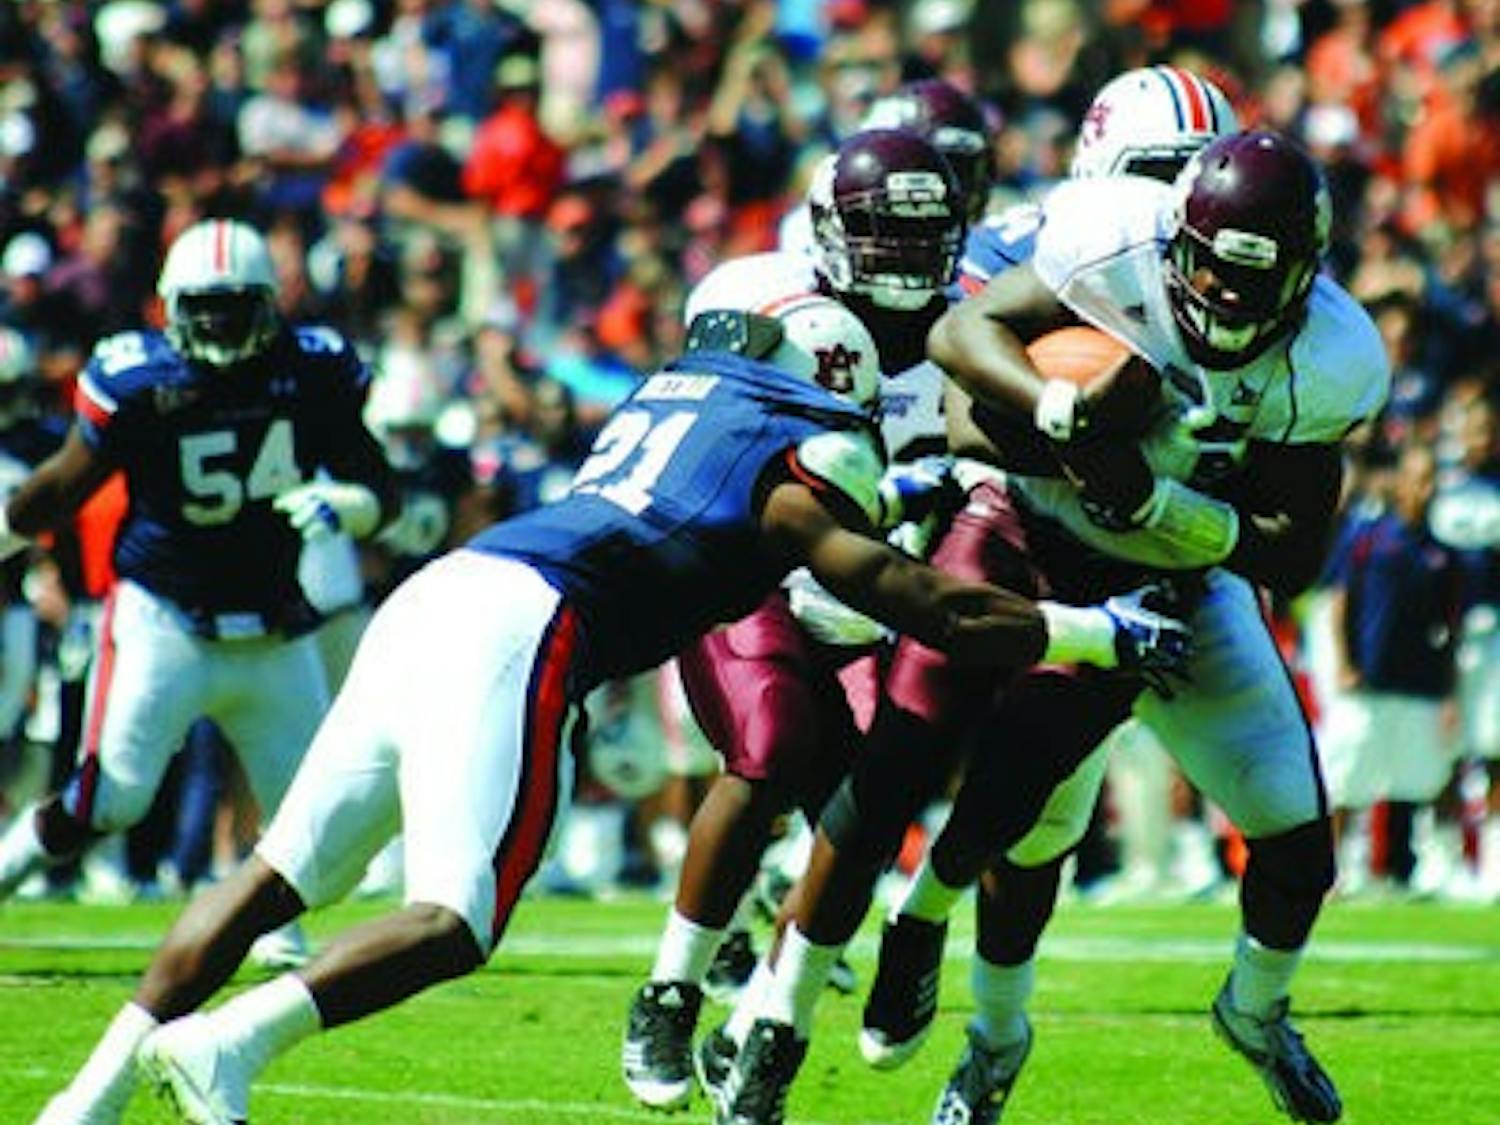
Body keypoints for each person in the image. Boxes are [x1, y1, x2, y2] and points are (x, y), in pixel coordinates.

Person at [29, 297, 1192, 1125]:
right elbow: (927, 604)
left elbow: (732, 502)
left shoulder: (688, 392)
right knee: (456, 921)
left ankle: (84, 1102)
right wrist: (1102, 632)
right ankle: (229, 1044)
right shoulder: (810, 456)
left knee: (279, 876)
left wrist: (894, 490)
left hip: (440, 597)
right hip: (524, 627)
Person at [717, 130, 1388, 1125]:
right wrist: (1069, 416)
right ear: (1168, 234)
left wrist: (1160, 506)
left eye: (1258, 276)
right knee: (902, 757)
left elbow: (1289, 554)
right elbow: (963, 373)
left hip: (1166, 583)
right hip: (1021, 522)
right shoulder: (1104, 246)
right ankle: (777, 1019)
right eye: (1208, 266)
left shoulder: (1332, 359)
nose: (1228, 299)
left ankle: (941, 925)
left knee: (1027, 793)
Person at [861, 61, 1243, 1066]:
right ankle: (779, 981)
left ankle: (992, 1032)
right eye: (1161, 167)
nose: (1177, 191)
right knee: (884, 742)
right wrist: (1081, 426)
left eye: (1197, 170)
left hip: (1160, 561)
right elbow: (968, 408)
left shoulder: (1238, 270)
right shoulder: (1045, 244)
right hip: (1006, 525)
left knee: (1039, 818)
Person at [621, 116, 984, 1112]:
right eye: (885, 234)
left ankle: (763, 1032)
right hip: (759, 576)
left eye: (925, 232)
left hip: (881, 602)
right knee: (773, 746)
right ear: (828, 232)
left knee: (866, 817)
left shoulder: (974, 329)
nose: (909, 255)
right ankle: (671, 986)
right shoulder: (757, 301)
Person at [1, 217, 398, 1123]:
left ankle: (277, 935)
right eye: (203, 310)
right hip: (165, 622)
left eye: (234, 309)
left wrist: (353, 502)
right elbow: (61, 486)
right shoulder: (138, 379)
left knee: (320, 833)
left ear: (270, 306)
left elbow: (384, 484)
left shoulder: (317, 368)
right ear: (171, 311)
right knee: (110, 800)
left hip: (277, 631)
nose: (218, 328)